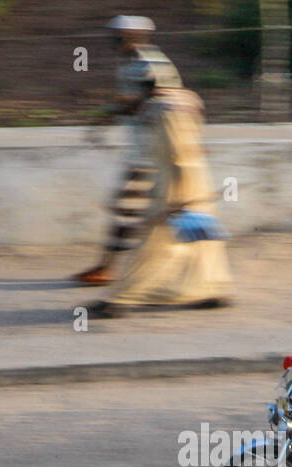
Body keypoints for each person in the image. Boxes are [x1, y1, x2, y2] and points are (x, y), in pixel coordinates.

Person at [86, 80, 232, 316]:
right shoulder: (186, 100)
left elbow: (177, 152)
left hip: (175, 184)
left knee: (153, 243)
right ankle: (211, 290)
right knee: (201, 242)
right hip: (199, 179)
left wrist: (178, 196)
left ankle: (121, 300)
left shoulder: (161, 108)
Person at [74, 15, 182, 286]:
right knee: (138, 211)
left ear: (133, 35)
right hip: (144, 148)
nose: (114, 40)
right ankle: (115, 267)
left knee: (128, 210)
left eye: (119, 35)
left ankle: (108, 268)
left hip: (152, 151)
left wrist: (112, 111)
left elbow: (161, 97)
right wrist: (109, 115)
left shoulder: (149, 61)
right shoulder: (132, 62)